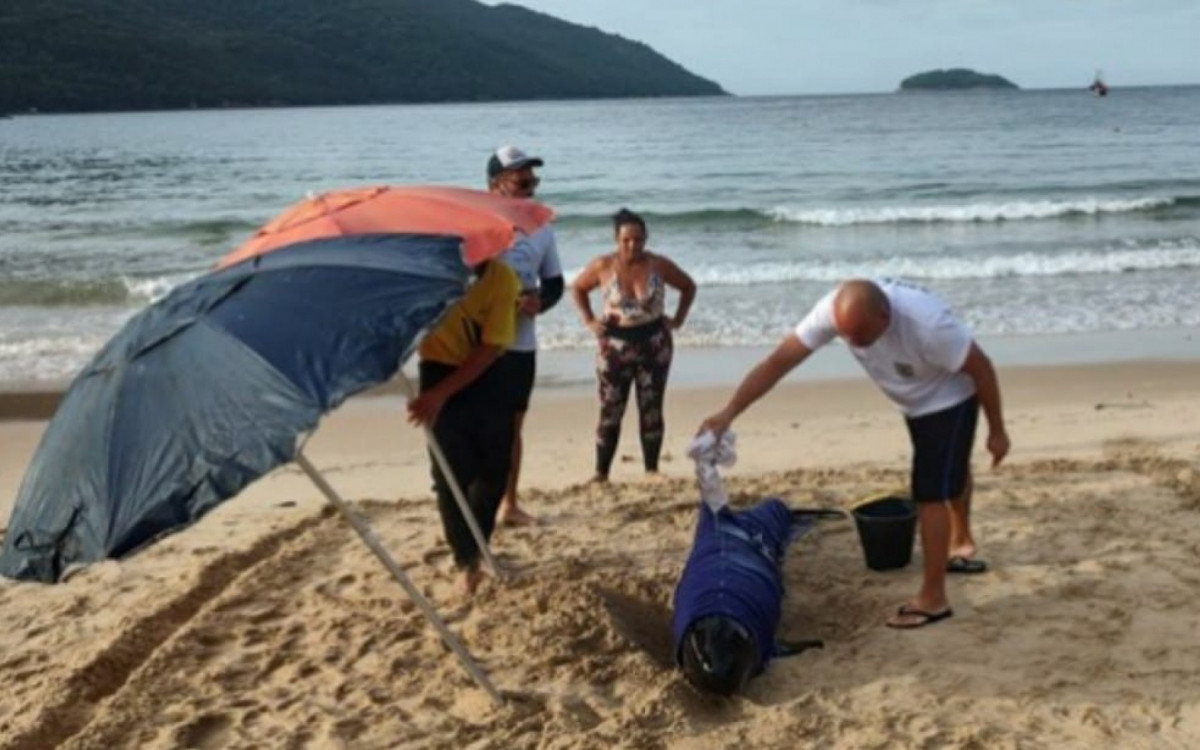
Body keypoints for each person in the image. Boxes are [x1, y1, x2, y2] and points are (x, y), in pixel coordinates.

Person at [698, 279, 1010, 629]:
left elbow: (981, 367)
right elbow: (779, 362)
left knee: (929, 492)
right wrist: (728, 413)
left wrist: (997, 430)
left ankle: (934, 597)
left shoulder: (929, 324)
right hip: (911, 401)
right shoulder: (834, 312)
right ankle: (960, 539)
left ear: (885, 315)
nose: (855, 345)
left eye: (862, 336)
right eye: (847, 337)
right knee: (948, 473)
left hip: (947, 397)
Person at [407, 259, 522, 595]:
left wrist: (439, 396)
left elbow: (490, 349)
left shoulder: (502, 277)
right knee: (449, 475)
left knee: (494, 469)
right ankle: (465, 560)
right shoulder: (430, 270)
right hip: (437, 369)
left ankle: (477, 545)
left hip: (489, 372)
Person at [572, 208, 697, 483]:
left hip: (655, 344)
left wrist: (678, 320)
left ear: (646, 238)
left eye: (638, 239)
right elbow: (578, 288)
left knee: (651, 407)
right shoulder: (602, 266)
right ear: (616, 239)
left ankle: (651, 469)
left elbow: (688, 286)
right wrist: (590, 320)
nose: (633, 245)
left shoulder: (659, 265)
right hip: (614, 347)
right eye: (627, 239)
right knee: (610, 409)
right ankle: (601, 472)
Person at [487, 145, 565, 526]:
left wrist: (540, 302)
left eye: (533, 180)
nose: (530, 186)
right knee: (477, 425)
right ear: (496, 184)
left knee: (513, 426)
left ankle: (510, 503)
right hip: (479, 342)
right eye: (522, 180)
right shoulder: (474, 222)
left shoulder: (542, 226)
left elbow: (555, 283)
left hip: (521, 343)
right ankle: (475, 501)